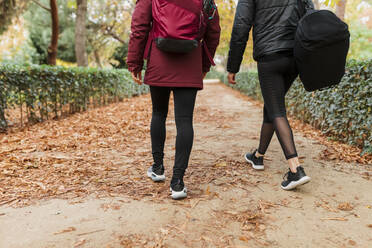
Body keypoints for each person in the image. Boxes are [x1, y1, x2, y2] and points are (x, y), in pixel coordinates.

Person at [127, 0, 220, 199]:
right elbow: (213, 32)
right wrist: (204, 65)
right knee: (185, 120)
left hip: (159, 60)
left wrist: (134, 62)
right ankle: (177, 182)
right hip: (190, 61)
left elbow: (139, 26)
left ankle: (158, 168)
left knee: (159, 114)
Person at [227, 0, 313, 190]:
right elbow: (310, 16)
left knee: (277, 110)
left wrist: (233, 66)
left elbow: (241, 25)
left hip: (269, 55)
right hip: (295, 56)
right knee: (272, 105)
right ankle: (258, 156)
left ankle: (295, 169)